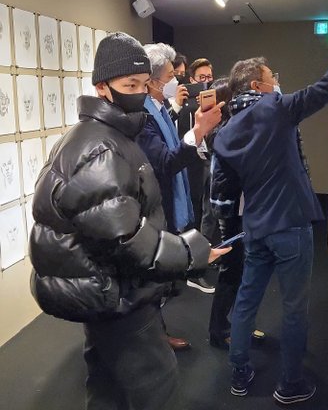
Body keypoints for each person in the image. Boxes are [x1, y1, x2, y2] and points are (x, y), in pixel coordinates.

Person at [28, 32, 229, 410]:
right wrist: (194, 252)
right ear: (102, 87)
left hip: (103, 290)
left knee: (107, 388)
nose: (138, 93)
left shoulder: (104, 136)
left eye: (142, 84)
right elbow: (125, 238)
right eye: (128, 85)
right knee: (157, 387)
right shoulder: (101, 148)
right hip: (117, 294)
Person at [210, 19, 328, 404]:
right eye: (273, 77)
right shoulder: (276, 108)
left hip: (255, 228)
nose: (277, 82)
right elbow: (325, 89)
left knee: (246, 302)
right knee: (294, 309)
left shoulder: (226, 132)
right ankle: (290, 384)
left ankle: (239, 374)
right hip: (290, 226)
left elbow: (225, 190)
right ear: (258, 85)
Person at [137, 43, 223, 348]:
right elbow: (165, 163)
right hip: (153, 205)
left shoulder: (159, 108)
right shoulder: (143, 116)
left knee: (158, 280)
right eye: (170, 76)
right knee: (151, 278)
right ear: (152, 81)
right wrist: (198, 131)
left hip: (165, 202)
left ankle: (156, 335)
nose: (176, 81)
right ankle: (151, 339)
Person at [206, 78, 265, 350]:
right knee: (232, 271)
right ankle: (219, 331)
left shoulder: (229, 129)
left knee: (243, 271)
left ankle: (238, 325)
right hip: (232, 211)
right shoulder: (223, 132)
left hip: (242, 208)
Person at [175, 57, 218, 293]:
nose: (206, 82)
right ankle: (192, 268)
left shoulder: (217, 103)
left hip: (211, 162)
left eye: (209, 77)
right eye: (201, 78)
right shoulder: (182, 106)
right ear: (191, 80)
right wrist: (182, 106)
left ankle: (205, 257)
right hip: (190, 166)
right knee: (195, 212)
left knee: (209, 212)